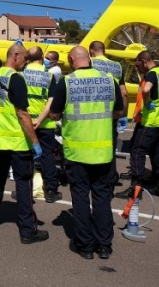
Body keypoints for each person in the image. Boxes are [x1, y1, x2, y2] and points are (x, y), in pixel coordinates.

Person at [50, 45, 123, 260]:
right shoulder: (109, 79)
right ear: (89, 59)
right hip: (103, 152)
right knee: (101, 197)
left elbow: (54, 114)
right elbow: (119, 110)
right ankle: (104, 245)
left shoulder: (67, 81)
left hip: (77, 152)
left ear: (73, 60)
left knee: (80, 198)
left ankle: (84, 245)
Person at [0, 44, 48, 244]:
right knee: (24, 185)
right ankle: (28, 230)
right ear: (15, 56)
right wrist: (35, 141)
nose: (26, 62)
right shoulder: (15, 79)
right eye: (25, 58)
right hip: (17, 143)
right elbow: (22, 113)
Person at [115, 51, 159, 200]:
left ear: (144, 61)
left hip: (150, 121)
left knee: (137, 150)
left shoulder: (151, 74)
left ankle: (135, 188)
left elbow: (146, 89)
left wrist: (148, 102)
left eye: (138, 65)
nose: (137, 68)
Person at [89, 41, 129, 193]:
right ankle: (110, 179)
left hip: (92, 111)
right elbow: (124, 92)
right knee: (109, 148)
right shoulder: (117, 66)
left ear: (91, 51)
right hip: (112, 113)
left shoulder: (89, 62)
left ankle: (94, 179)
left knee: (91, 147)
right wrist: (123, 114)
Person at [23, 46, 62, 203]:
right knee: (47, 156)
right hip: (44, 123)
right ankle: (51, 190)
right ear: (41, 57)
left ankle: (25, 189)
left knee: (25, 156)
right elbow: (51, 101)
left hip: (25, 122)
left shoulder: (21, 74)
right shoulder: (49, 75)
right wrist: (40, 119)